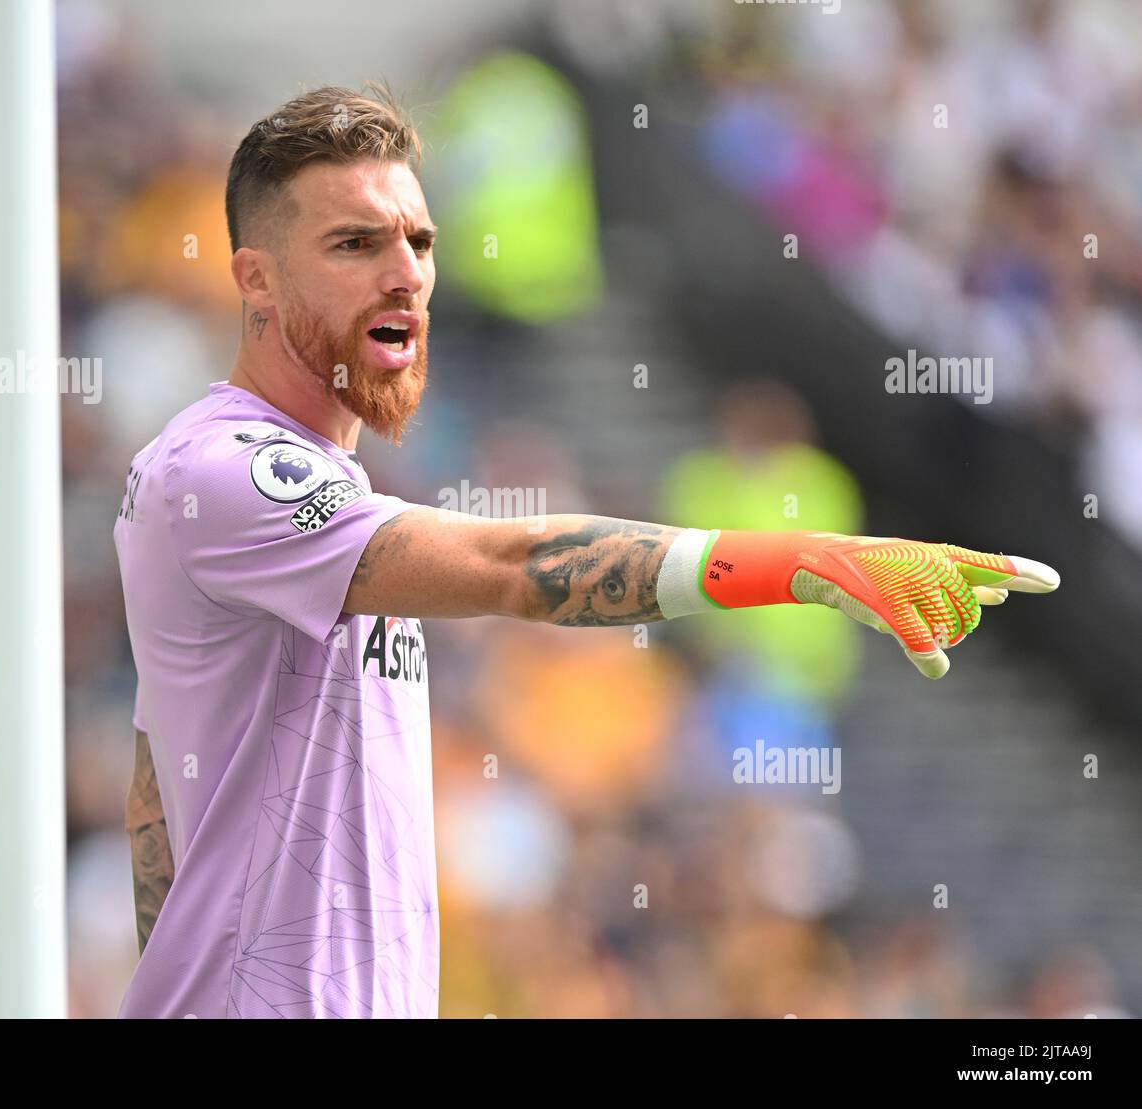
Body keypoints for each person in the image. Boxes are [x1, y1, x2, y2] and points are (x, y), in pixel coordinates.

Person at [113, 84, 1058, 1019]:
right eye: (356, 243)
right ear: (256, 280)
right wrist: (801, 561)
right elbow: (513, 567)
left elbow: (160, 791)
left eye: (420, 242)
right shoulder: (224, 471)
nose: (405, 273)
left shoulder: (304, 485)